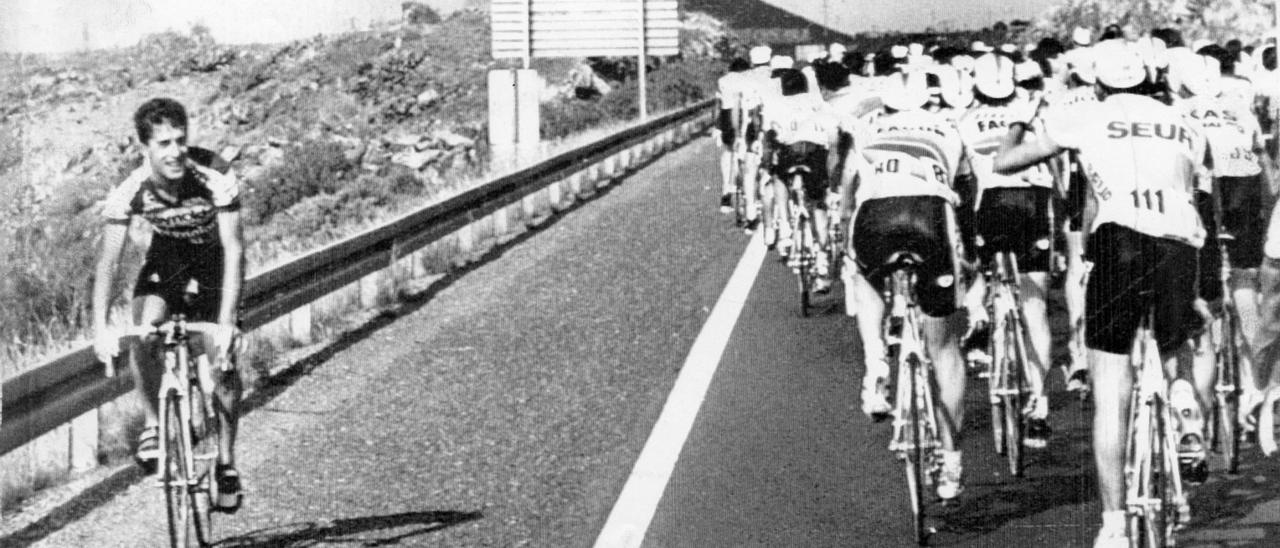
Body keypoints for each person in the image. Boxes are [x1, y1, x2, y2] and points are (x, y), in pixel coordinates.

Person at [994, 40, 1211, 548]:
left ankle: (1114, 522)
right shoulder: (1186, 122)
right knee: (1175, 343)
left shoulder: (1087, 116)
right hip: (1180, 242)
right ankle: (1181, 400)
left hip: (1119, 240)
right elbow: (1201, 192)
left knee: (1111, 391)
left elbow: (1006, 163)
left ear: (1099, 83)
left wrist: (1019, 121)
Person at [92, 97, 245, 512]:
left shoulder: (213, 173)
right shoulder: (131, 189)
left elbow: (234, 248)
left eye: (180, 140)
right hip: (169, 258)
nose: (175, 151)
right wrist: (100, 329)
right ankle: (156, 425)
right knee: (144, 331)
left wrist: (227, 323)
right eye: (163, 143)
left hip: (214, 261)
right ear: (146, 148)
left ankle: (226, 464)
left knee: (223, 361)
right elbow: (109, 261)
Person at [845, 69, 976, 502]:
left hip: (875, 214)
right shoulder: (948, 125)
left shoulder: (870, 124)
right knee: (945, 348)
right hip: (929, 215)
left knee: (864, 278)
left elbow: (849, 182)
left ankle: (877, 363)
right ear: (929, 98)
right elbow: (966, 186)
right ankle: (952, 460)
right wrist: (970, 252)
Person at [957, 53, 1055, 449]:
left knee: (977, 268)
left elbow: (960, 179)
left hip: (990, 202)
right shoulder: (1034, 110)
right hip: (1035, 200)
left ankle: (980, 317)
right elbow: (1057, 170)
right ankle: (1041, 401)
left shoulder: (962, 118)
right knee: (1035, 305)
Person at [763, 68, 841, 292]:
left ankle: (786, 228)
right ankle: (823, 260)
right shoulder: (819, 104)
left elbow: (769, 137)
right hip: (815, 154)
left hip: (789, 154)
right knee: (818, 205)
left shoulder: (776, 105)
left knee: (779, 177)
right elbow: (833, 140)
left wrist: (768, 164)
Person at [716, 57, 753, 217]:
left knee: (727, 152)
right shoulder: (749, 79)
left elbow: (717, 104)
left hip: (726, 115)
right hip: (744, 114)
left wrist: (717, 126)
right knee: (744, 153)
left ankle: (726, 191)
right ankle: (745, 192)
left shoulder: (722, 80)